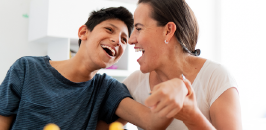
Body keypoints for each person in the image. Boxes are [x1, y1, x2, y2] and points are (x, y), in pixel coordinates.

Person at [0, 6, 188, 130]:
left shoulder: (108, 89)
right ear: (83, 32)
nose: (117, 41)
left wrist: (180, 88)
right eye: (109, 30)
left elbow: (152, 121)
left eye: (124, 39)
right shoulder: (26, 69)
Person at [114, 0, 242, 129]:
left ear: (168, 31)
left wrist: (191, 116)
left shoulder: (216, 78)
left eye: (139, 29)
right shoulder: (134, 83)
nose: (131, 40)